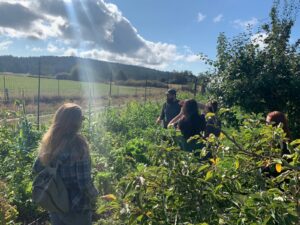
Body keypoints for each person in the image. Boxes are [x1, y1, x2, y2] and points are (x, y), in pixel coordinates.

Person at [33, 103, 98, 225]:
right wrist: (96, 196)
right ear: (77, 123)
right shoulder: (79, 145)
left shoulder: (50, 141)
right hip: (76, 207)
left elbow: (37, 168)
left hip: (55, 203)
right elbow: (84, 183)